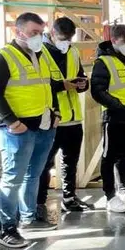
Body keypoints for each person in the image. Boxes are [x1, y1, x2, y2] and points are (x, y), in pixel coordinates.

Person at [0, 12, 59, 248]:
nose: (38, 37)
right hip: (16, 129)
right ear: (19, 32)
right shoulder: (1, 58)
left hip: (44, 124)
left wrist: (54, 113)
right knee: (13, 178)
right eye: (33, 32)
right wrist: (12, 121)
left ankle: (29, 218)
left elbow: (48, 85)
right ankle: (8, 229)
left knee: (33, 174)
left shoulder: (41, 54)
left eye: (41, 32)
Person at [90, 24, 125, 213]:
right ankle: (110, 196)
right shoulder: (103, 62)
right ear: (114, 41)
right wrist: (118, 106)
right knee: (110, 157)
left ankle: (123, 189)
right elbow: (98, 91)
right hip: (115, 118)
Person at [37, 17, 88, 214]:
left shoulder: (73, 51)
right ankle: (39, 203)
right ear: (52, 33)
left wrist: (83, 84)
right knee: (45, 164)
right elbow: (39, 84)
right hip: (52, 119)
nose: (65, 41)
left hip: (74, 118)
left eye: (69, 38)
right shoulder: (40, 53)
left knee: (71, 162)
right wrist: (62, 85)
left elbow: (80, 74)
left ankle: (69, 197)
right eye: (62, 37)